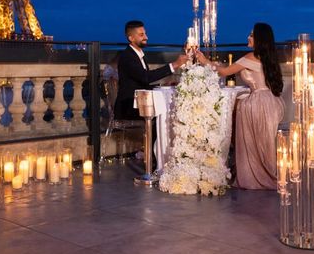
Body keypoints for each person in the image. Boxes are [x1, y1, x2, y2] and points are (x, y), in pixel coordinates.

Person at [196, 22, 284, 190]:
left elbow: (223, 72)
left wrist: (204, 60)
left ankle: (254, 176)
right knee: (264, 143)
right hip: (271, 102)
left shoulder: (249, 58)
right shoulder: (269, 58)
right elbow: (228, 68)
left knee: (252, 142)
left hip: (257, 104)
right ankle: (267, 172)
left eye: (251, 35)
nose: (248, 37)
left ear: (259, 39)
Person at [114, 20, 187, 121]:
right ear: (131, 38)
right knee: (166, 112)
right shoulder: (127, 57)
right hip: (129, 107)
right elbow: (146, 77)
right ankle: (157, 136)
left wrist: (163, 85)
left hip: (139, 103)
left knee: (169, 110)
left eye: (145, 33)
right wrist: (175, 64)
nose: (146, 37)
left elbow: (142, 83)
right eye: (141, 35)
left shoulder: (138, 55)